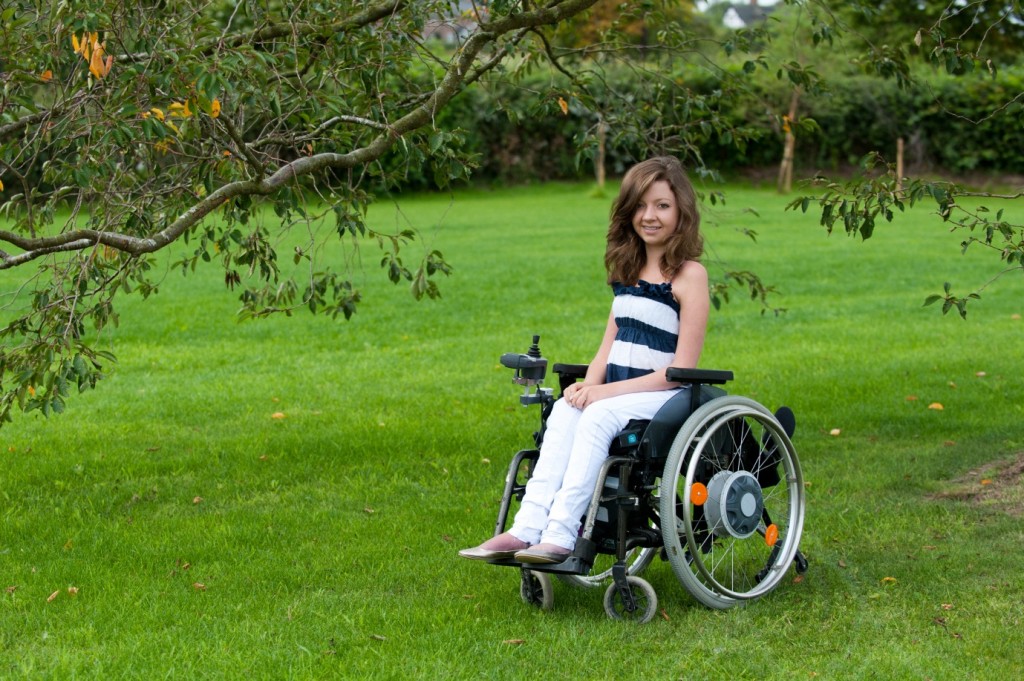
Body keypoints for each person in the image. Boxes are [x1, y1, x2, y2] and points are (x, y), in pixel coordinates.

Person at [459, 156, 709, 564]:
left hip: (663, 393)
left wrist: (603, 393)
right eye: (641, 205)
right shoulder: (628, 270)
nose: (650, 216)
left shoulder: (689, 275)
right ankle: (525, 529)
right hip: (616, 391)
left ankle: (560, 536)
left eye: (662, 205)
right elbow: (608, 345)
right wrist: (587, 385)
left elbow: (679, 369)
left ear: (681, 210)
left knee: (595, 416)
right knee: (563, 410)